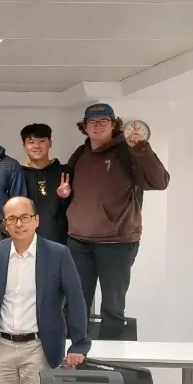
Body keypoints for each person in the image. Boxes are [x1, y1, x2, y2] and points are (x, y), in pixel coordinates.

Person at [0, 197, 90, 384]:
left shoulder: (58, 254)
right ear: (5, 224)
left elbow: (76, 299)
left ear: (36, 220)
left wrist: (79, 343)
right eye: (12, 219)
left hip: (38, 348)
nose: (19, 224)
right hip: (1, 347)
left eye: (25, 217)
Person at [66, 104, 170, 339]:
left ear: (114, 124)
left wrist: (142, 148)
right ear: (84, 127)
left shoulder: (128, 150)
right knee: (76, 303)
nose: (98, 125)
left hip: (117, 242)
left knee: (112, 306)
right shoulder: (80, 154)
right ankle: (76, 355)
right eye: (92, 122)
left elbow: (159, 182)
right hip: (79, 241)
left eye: (104, 121)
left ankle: (110, 361)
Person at [20, 123, 71, 244]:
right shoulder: (18, 174)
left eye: (42, 141)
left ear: (50, 143)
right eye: (31, 142)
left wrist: (65, 198)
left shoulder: (64, 172)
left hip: (61, 240)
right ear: (24, 145)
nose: (36, 146)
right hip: (27, 240)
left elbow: (77, 208)